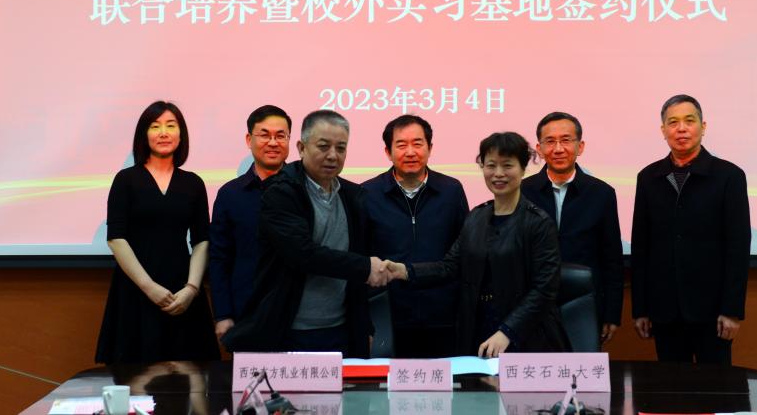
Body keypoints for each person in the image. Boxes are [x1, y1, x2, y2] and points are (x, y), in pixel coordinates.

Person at [223, 110, 392, 357]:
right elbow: (303, 254)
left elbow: (358, 259)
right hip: (289, 330)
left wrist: (363, 326)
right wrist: (366, 267)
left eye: (341, 148)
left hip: (341, 329)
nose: (332, 155)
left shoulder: (354, 196)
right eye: (323, 146)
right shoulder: (280, 192)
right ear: (301, 148)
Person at [387, 132, 568, 357]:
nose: (498, 173)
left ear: (523, 169)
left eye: (507, 165)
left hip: (525, 337)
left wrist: (507, 331)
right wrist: (404, 271)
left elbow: (544, 290)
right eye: (491, 165)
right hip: (477, 328)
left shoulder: (538, 223)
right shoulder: (476, 217)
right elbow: (449, 267)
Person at [95, 101, 219, 363]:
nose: (163, 132)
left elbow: (202, 240)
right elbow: (116, 238)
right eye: (155, 126)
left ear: (181, 134)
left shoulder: (193, 183)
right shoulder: (126, 180)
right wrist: (148, 287)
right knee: (135, 372)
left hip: (182, 290)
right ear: (144, 134)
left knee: (190, 373)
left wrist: (192, 288)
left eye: (171, 126)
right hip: (136, 289)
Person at [630, 94, 751, 365]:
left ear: (703, 127)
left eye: (689, 121)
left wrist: (732, 310)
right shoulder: (648, 178)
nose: (681, 129)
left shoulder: (729, 176)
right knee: (671, 387)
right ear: (663, 130)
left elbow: (738, 247)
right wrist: (641, 309)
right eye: (673, 122)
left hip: (713, 312)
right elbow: (641, 247)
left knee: (716, 386)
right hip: (664, 310)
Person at [361, 114, 468, 357]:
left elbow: (464, 252)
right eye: (401, 145)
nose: (410, 152)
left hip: (443, 316)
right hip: (388, 316)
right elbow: (361, 256)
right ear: (388, 152)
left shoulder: (451, 191)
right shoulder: (367, 193)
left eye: (418, 144)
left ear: (430, 148)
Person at [521, 112, 624, 345]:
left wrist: (611, 314)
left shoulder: (602, 194)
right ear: (539, 149)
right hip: (531, 304)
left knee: (581, 367)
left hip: (585, 304)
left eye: (566, 140)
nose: (558, 149)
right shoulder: (523, 192)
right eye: (550, 141)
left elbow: (612, 259)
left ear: (580, 147)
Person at [208, 105, 292, 345]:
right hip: (245, 313)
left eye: (280, 136)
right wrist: (222, 314)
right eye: (265, 135)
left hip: (298, 314)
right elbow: (219, 258)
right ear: (249, 139)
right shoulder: (230, 194)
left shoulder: (305, 189)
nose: (273, 142)